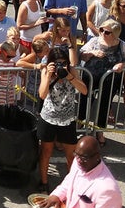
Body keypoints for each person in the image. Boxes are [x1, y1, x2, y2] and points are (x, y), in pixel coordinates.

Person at [36, 46, 89, 193]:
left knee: (71, 156)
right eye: (57, 63)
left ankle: (71, 184)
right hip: (49, 118)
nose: (60, 66)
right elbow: (42, 94)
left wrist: (69, 76)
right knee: (46, 152)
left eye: (63, 63)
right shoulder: (46, 71)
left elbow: (84, 90)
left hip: (67, 120)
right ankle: (44, 183)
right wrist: (48, 76)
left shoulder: (71, 71)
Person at [37, 135, 123, 208]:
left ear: (97, 156)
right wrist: (57, 195)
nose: (78, 160)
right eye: (76, 155)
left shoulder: (108, 190)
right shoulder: (78, 161)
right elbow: (70, 180)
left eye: (83, 158)